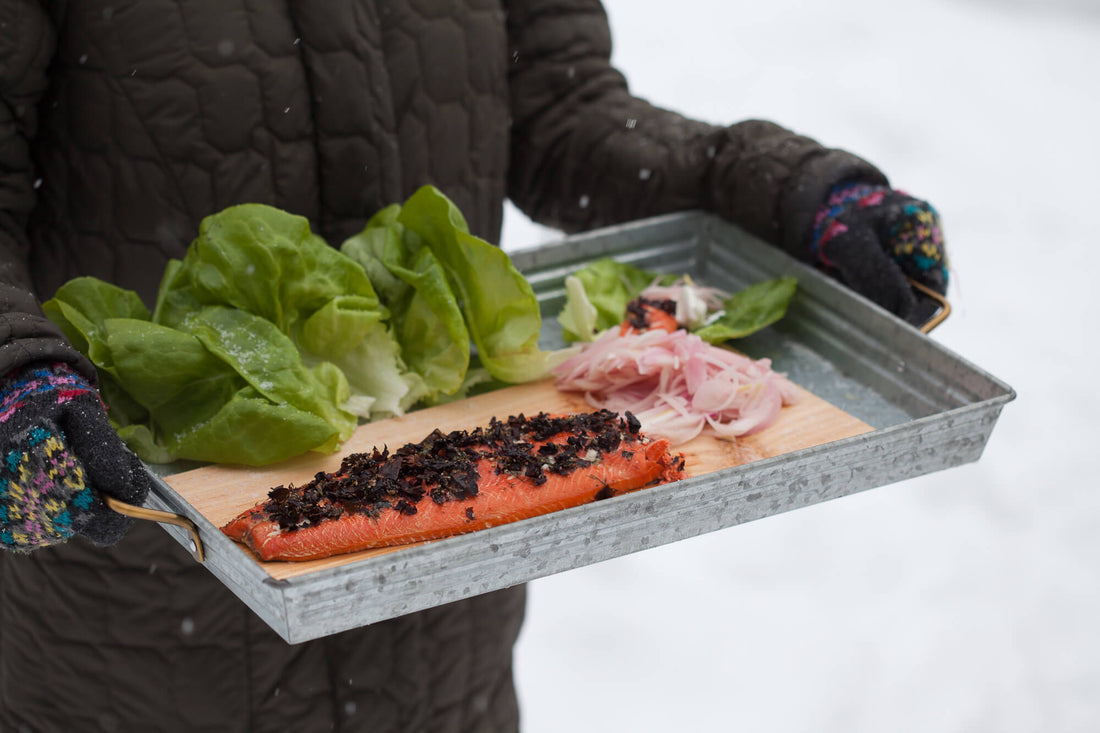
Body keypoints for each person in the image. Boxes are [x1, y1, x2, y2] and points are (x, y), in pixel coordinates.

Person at [0, 1, 948, 731]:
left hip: (444, 648)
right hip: (131, 640)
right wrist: (15, 374)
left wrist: (774, 188)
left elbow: (564, 115)